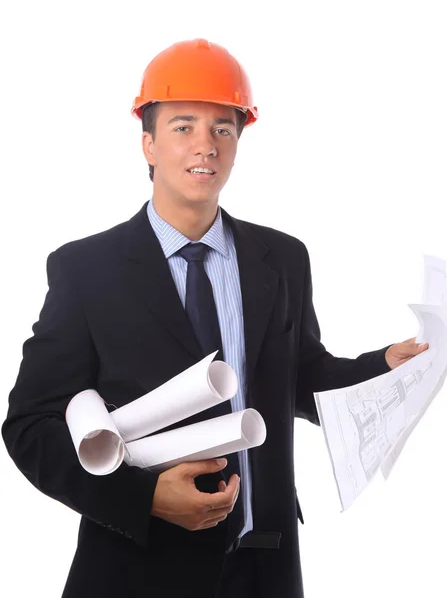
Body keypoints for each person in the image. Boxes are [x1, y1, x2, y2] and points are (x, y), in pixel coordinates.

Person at [2, 38, 428, 598]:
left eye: (222, 129)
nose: (205, 144)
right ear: (148, 143)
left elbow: (298, 378)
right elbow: (30, 426)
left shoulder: (281, 258)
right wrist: (142, 497)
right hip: (138, 570)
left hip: (264, 566)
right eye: (183, 126)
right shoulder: (87, 270)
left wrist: (383, 367)